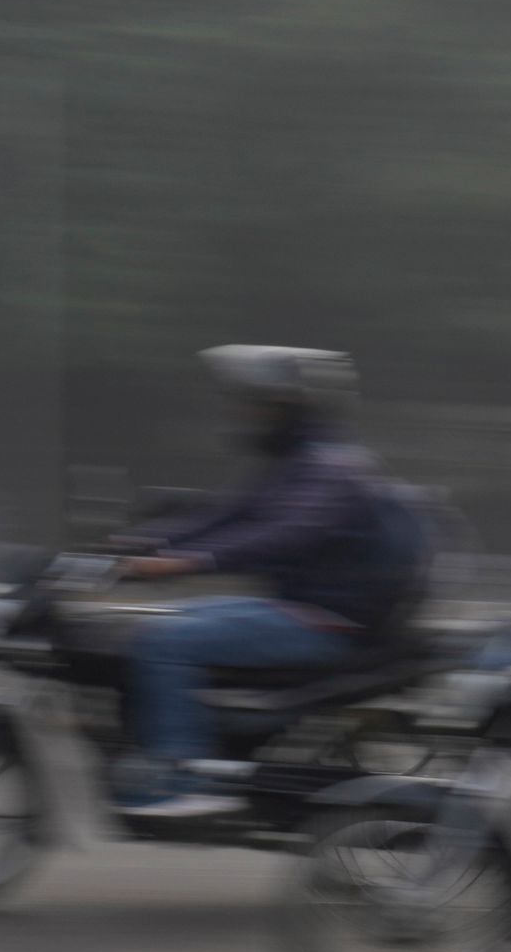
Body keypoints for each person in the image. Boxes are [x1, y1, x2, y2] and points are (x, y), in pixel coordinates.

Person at [107, 347, 411, 821]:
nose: (243, 415)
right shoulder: (297, 464)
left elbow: (282, 534)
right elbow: (227, 514)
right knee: (145, 626)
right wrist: (136, 543)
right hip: (299, 609)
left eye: (256, 405)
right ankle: (190, 744)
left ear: (292, 408)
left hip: (325, 623)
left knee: (163, 644)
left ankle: (189, 781)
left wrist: (188, 563)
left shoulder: (332, 469)